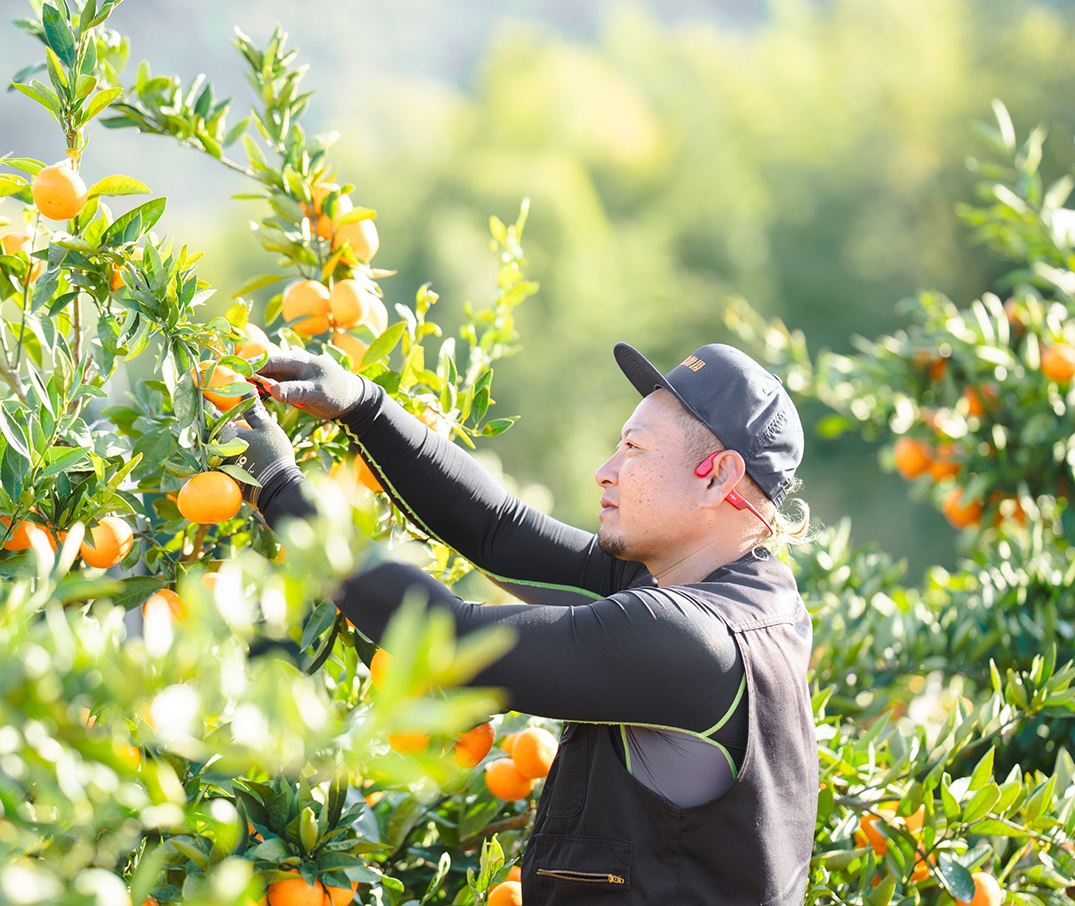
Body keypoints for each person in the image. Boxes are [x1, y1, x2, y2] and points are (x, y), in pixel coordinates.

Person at [226, 341, 818, 906]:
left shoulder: (692, 639)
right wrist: (363, 404)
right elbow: (498, 530)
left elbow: (448, 639)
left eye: (633, 448)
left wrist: (279, 491)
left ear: (717, 476)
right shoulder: (742, 594)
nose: (605, 471)